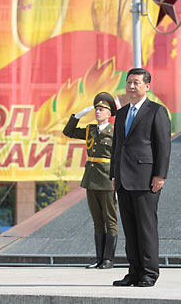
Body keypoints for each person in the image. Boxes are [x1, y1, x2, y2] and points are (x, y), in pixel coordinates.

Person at [111, 67, 171, 289]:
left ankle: (149, 273)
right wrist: (113, 175)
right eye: (128, 82)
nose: (131, 86)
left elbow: (163, 146)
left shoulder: (156, 111)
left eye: (136, 83)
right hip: (123, 179)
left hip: (146, 179)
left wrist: (160, 174)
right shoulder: (122, 114)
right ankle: (133, 272)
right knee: (130, 228)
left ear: (147, 86)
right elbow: (117, 146)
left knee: (145, 228)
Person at [64, 94, 118, 269]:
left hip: (108, 178)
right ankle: (99, 258)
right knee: (97, 219)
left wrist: (117, 177)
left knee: (110, 219)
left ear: (109, 113)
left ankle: (108, 259)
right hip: (91, 179)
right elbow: (68, 132)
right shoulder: (90, 130)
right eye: (96, 109)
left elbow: (119, 156)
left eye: (101, 109)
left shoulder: (114, 131)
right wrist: (77, 116)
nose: (97, 112)